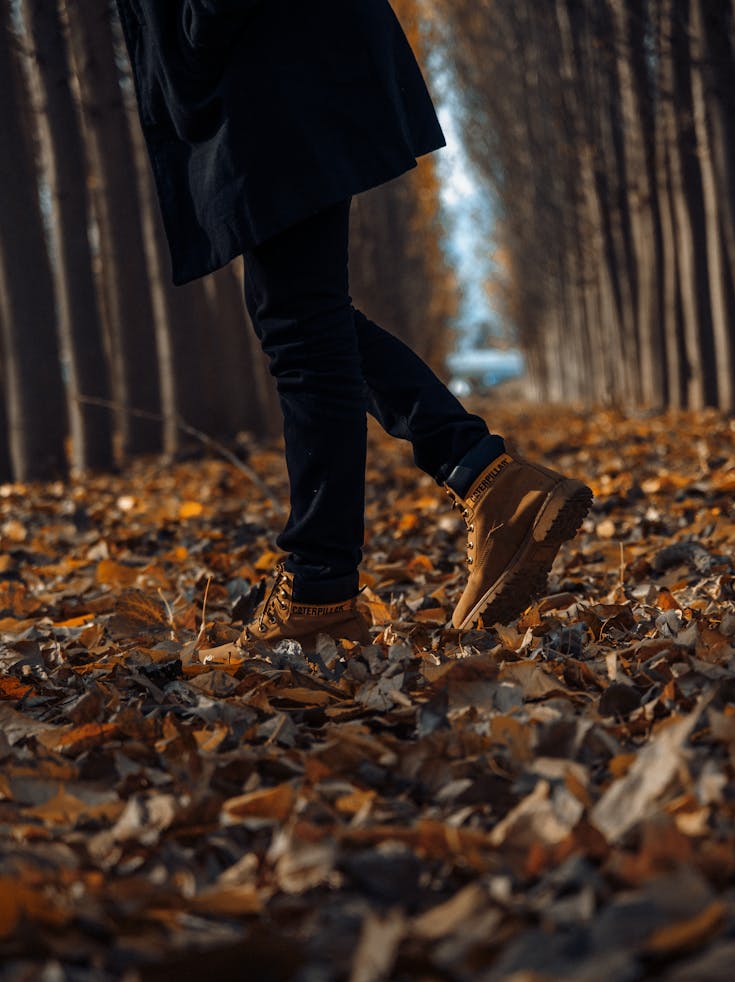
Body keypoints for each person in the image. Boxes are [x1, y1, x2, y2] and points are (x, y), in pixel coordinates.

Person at [115, 0, 592, 644]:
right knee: (302, 316)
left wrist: (196, 34)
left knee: (300, 325)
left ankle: (321, 587)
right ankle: (485, 479)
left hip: (264, 62)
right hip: (282, 58)